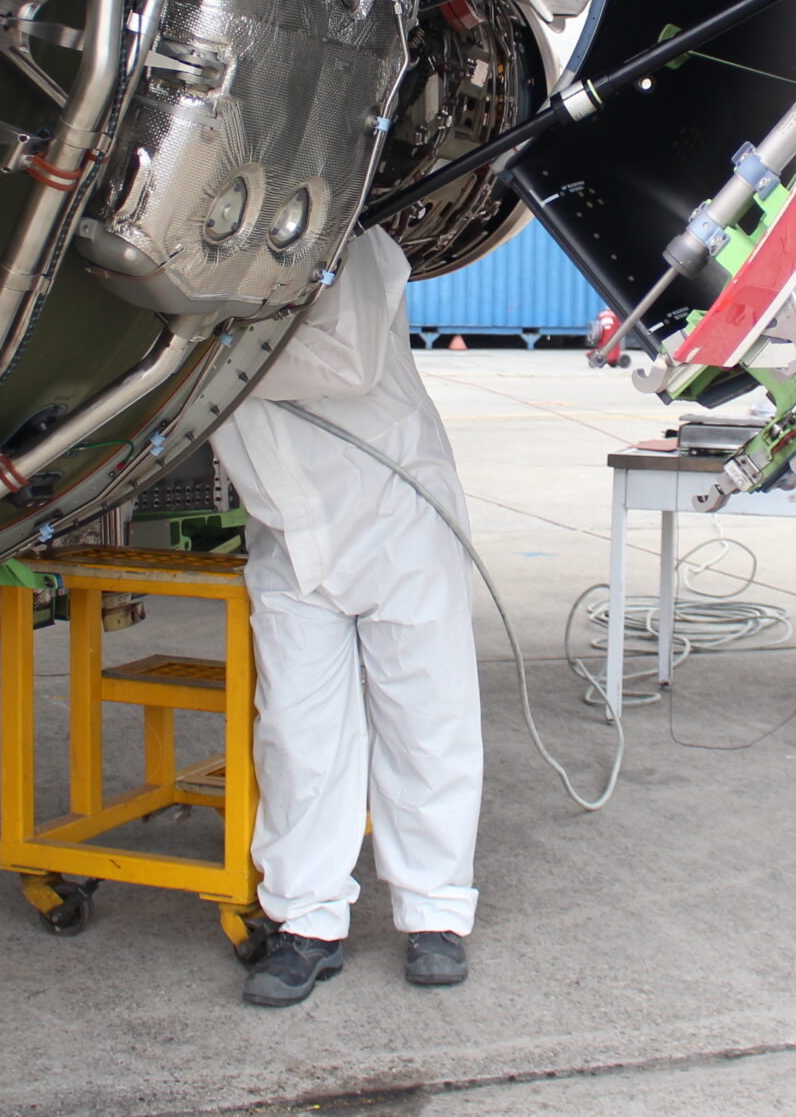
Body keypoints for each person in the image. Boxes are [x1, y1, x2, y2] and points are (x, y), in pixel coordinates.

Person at [209, 227, 484, 1006]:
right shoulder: (198, 260)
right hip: (292, 532)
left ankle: (434, 913)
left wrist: (205, 360)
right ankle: (306, 922)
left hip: (395, 514)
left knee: (425, 718)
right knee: (298, 735)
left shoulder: (344, 232)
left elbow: (349, 359)